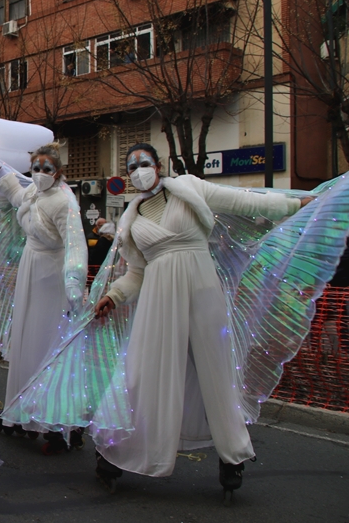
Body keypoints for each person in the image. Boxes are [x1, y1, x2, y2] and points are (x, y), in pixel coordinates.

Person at [91, 143, 313, 498]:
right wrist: (113, 295)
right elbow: (137, 272)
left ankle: (232, 458)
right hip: (158, 300)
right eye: (131, 166)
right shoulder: (131, 220)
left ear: (159, 165)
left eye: (143, 162)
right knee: (142, 373)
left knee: (216, 371)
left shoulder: (190, 188)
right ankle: (116, 455)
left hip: (202, 288)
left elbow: (244, 201)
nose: (138, 170)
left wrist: (294, 205)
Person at [0, 145, 88, 454]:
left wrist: (74, 283)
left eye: (47, 168)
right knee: (26, 339)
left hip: (54, 277)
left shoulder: (65, 202)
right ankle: (20, 411)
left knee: (47, 343)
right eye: (36, 168)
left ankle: (57, 423)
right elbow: (17, 196)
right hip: (32, 268)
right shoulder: (33, 195)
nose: (40, 174)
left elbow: (76, 244)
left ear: (59, 171)